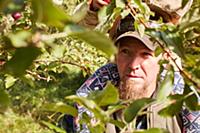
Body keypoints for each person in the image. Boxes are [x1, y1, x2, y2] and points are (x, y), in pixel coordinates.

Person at [74, 0, 200, 133]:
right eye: (126, 52)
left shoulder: (181, 106)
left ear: (164, 58)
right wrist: (95, 8)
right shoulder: (92, 105)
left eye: (145, 54)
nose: (134, 65)